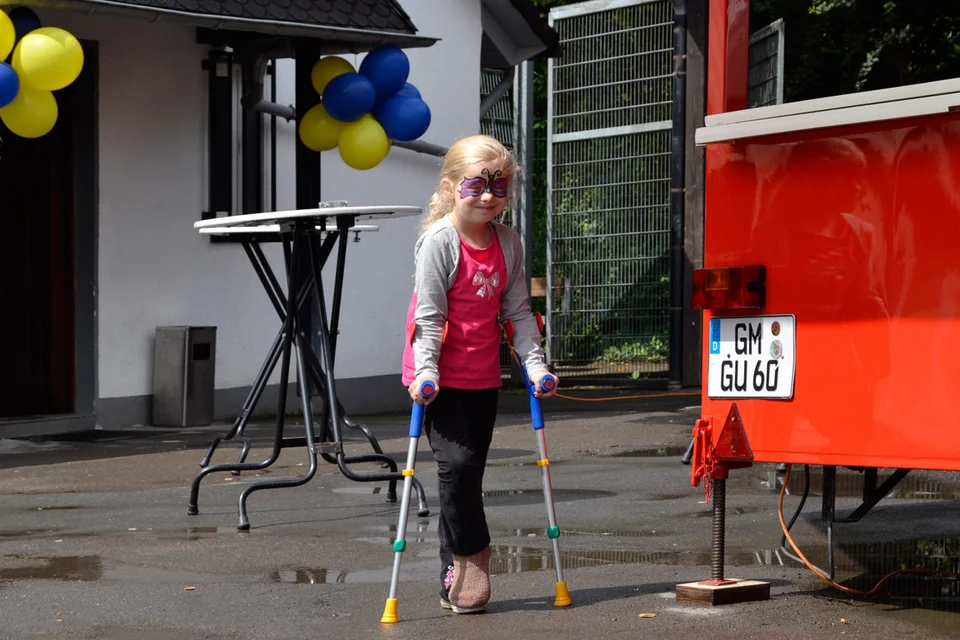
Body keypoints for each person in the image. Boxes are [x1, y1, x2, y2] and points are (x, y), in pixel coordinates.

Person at [401, 134, 558, 614]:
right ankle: (473, 559)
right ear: (451, 187)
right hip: (437, 376)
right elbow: (428, 317)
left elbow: (518, 310)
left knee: (468, 477)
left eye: (500, 185)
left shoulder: (508, 243)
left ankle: (451, 573)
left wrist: (534, 363)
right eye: (477, 184)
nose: (489, 195)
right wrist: (425, 372)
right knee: (458, 467)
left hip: (483, 373)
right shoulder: (439, 243)